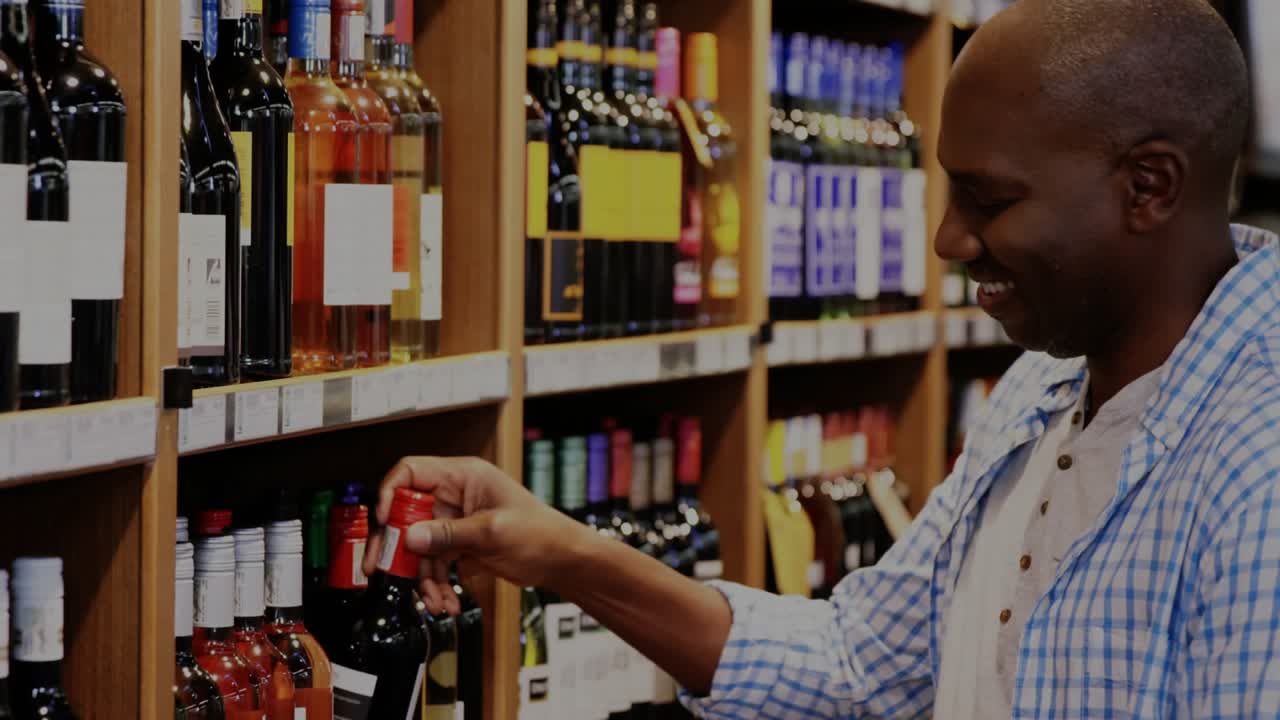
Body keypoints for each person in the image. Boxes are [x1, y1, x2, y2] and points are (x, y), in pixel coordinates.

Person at [363, 0, 1280, 716]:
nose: (950, 242)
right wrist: (563, 552)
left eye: (990, 200)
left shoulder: (1257, 463)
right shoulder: (1047, 383)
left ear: (1149, 187)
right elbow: (861, 666)